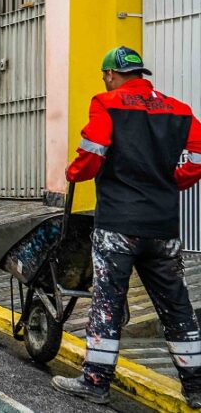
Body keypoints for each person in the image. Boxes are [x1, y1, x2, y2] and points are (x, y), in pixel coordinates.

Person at [52, 47, 201, 407]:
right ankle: (196, 387)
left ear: (110, 75)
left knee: (108, 303)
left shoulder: (106, 102)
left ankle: (95, 381)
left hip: (118, 224)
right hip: (162, 227)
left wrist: (73, 173)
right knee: (177, 307)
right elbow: (197, 158)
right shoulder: (179, 110)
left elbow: (93, 152)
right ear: (141, 74)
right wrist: (172, 182)